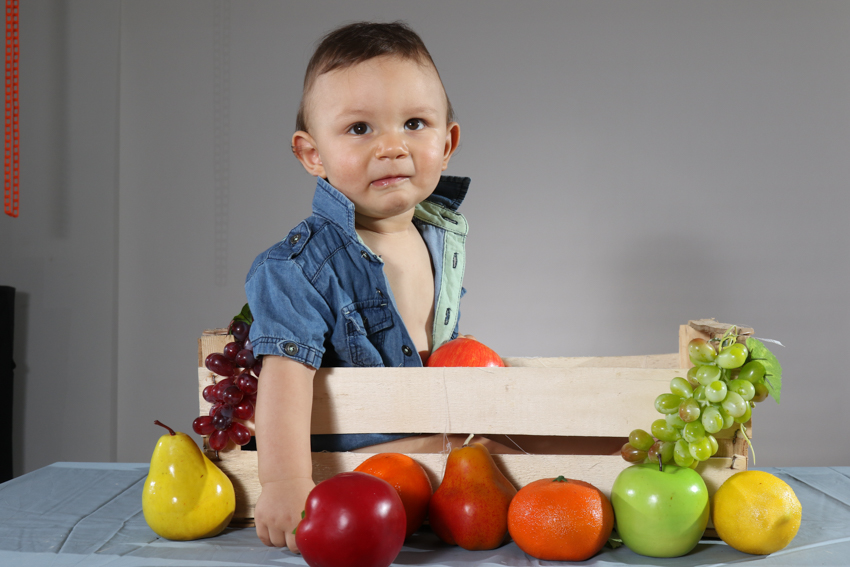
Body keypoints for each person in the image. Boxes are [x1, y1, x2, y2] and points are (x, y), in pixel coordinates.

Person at [244, 21, 503, 552]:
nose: (391, 146)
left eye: (414, 123)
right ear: (312, 155)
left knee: (543, 445)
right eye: (360, 128)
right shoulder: (299, 266)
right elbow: (285, 381)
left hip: (434, 447)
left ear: (448, 141)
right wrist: (285, 482)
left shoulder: (441, 236)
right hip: (355, 471)